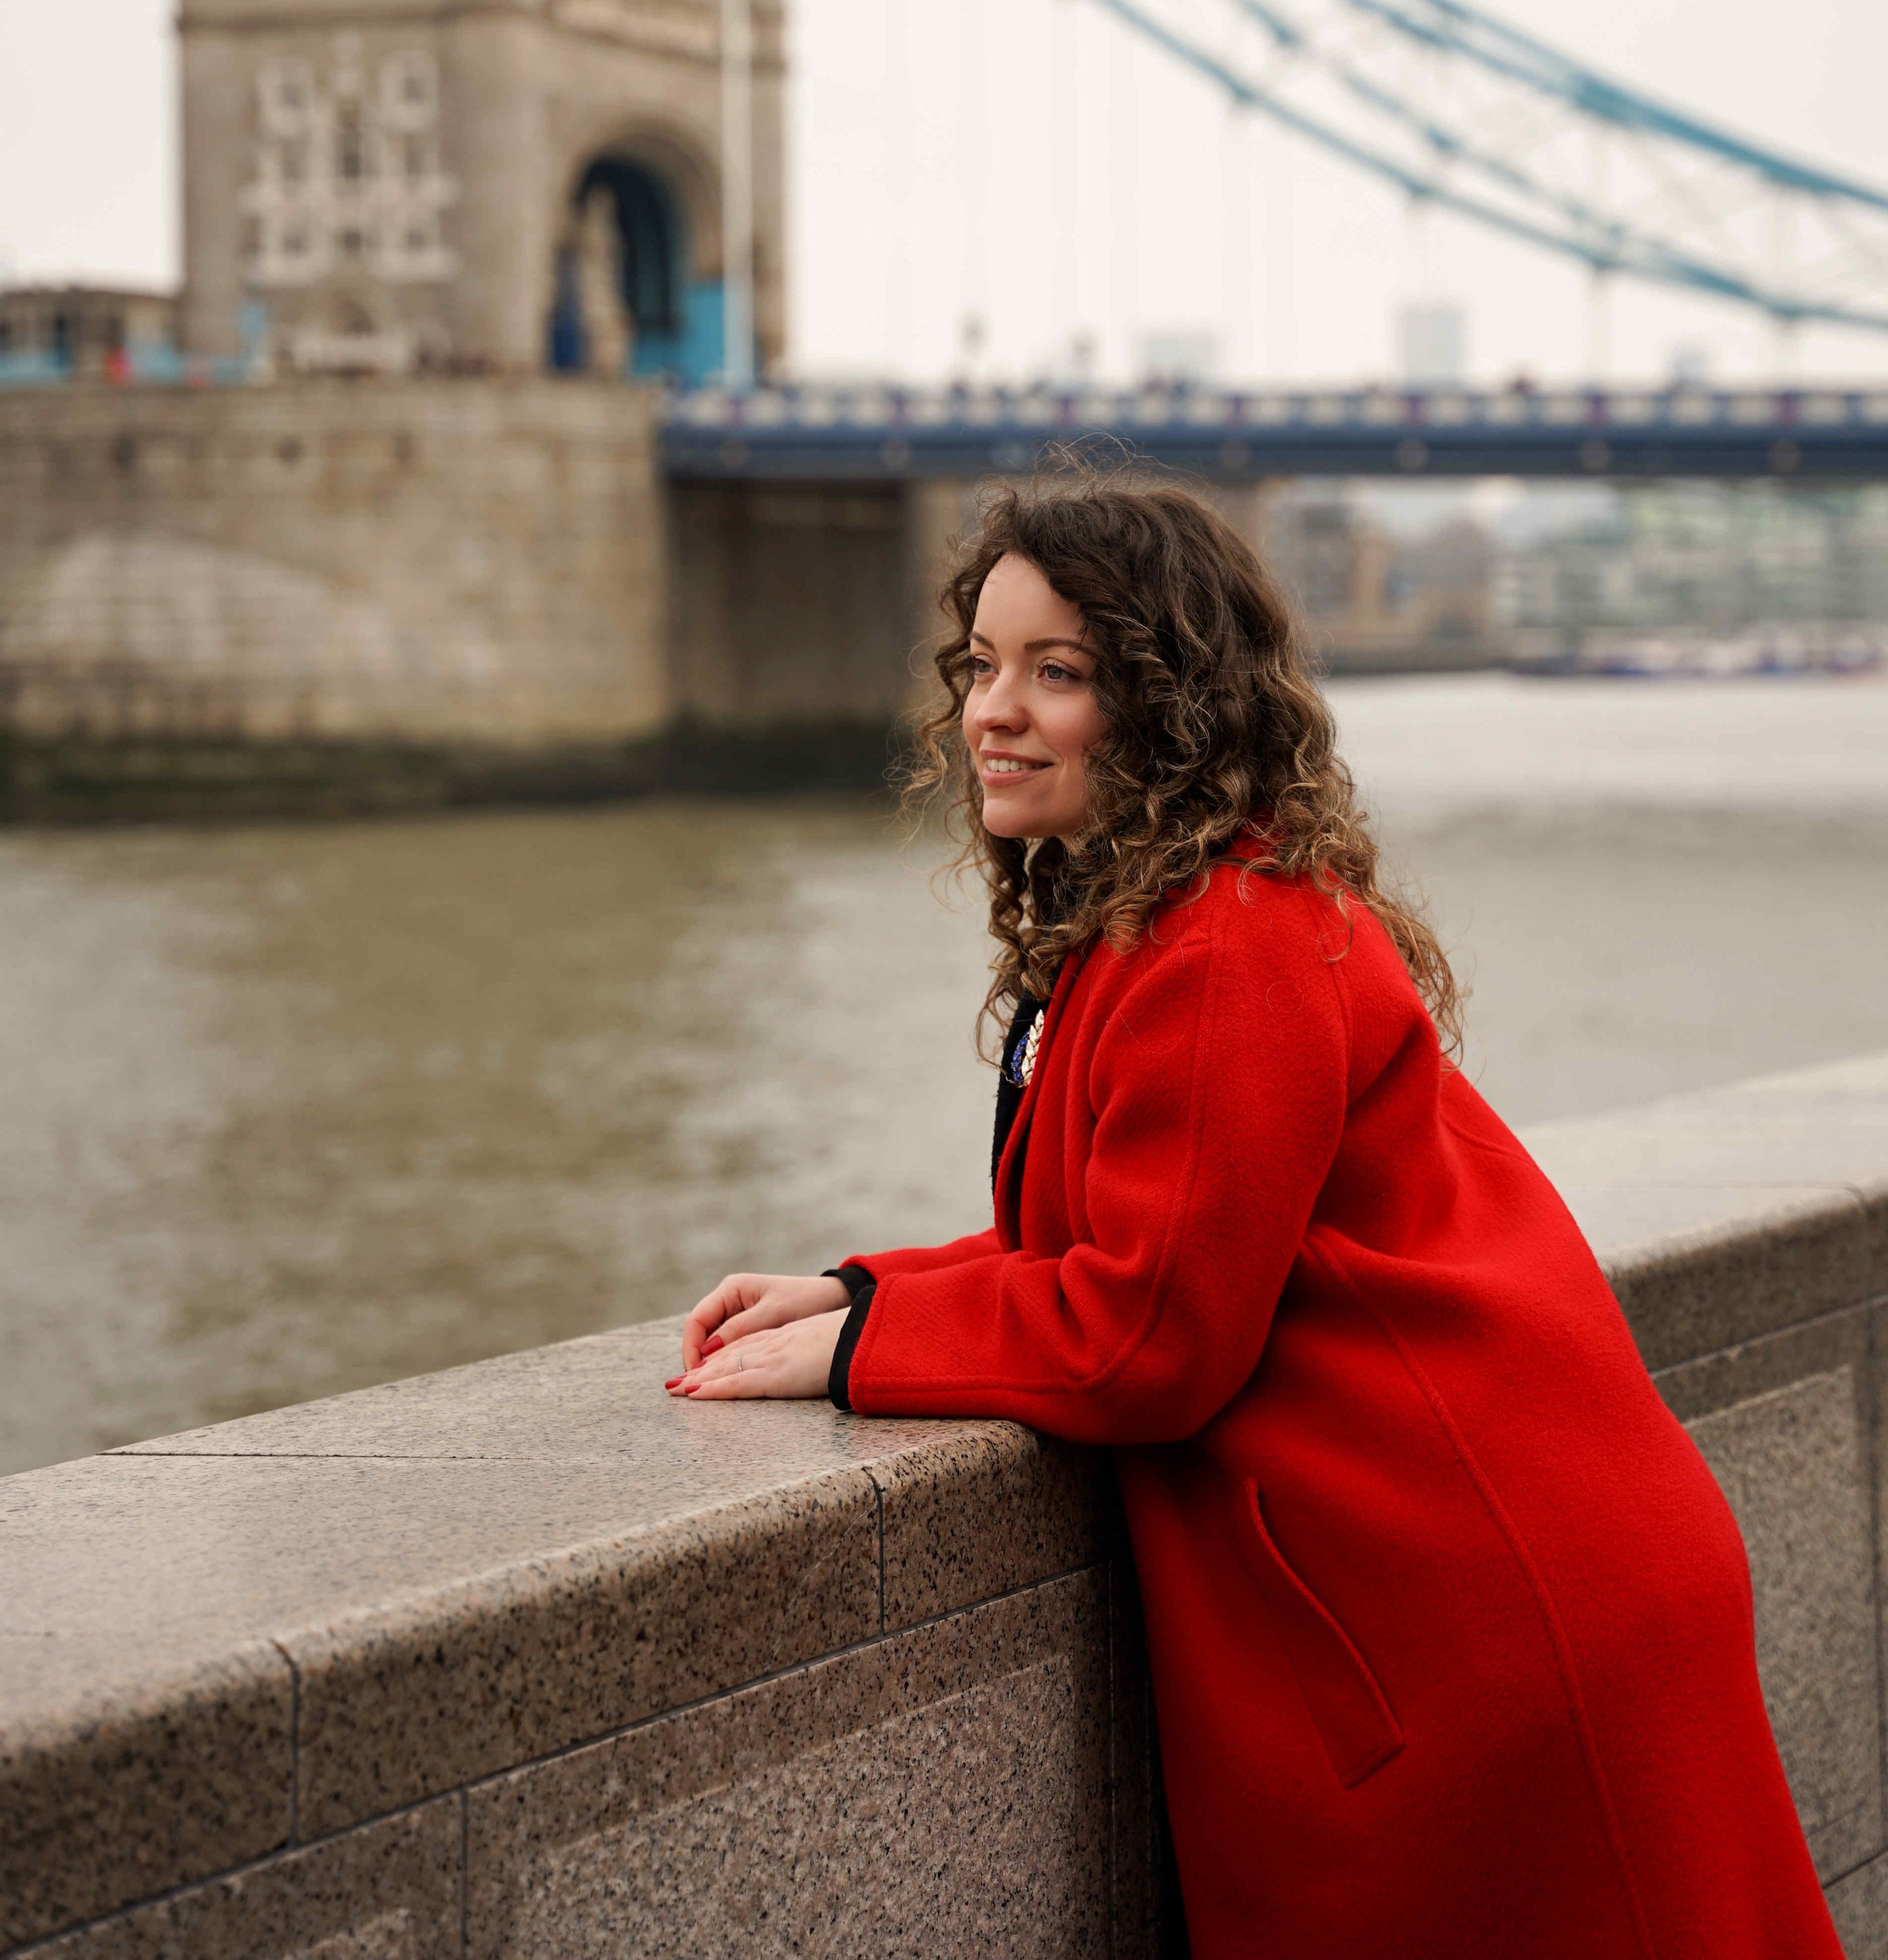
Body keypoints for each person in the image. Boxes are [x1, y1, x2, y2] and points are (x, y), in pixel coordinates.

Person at [667, 476, 1841, 1960]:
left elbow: (1149, 1334)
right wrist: (861, 1293)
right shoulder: (1172, 921)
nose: (992, 711)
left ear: (1164, 702)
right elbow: (1149, 1233)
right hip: (1463, 1593)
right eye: (980, 664)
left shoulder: (1223, 946)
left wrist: (861, 1359)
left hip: (1479, 1627)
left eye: (1059, 672)